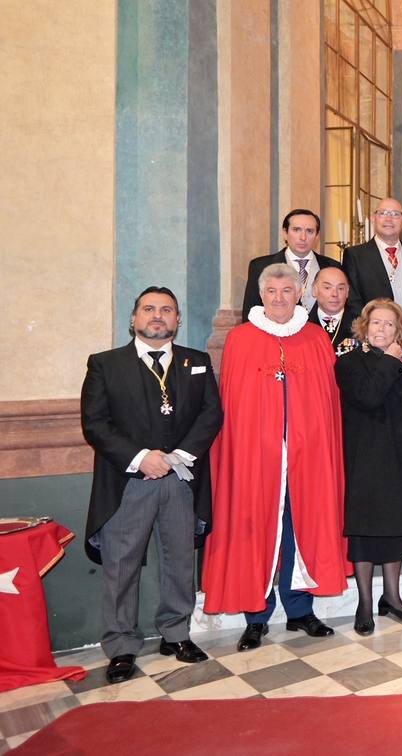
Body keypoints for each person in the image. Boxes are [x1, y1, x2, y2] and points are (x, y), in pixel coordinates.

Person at [80, 287, 223, 683]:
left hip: (181, 479)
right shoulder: (105, 365)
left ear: (177, 319)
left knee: (179, 561)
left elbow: (211, 415)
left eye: (166, 310)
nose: (157, 316)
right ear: (134, 319)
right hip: (128, 482)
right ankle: (122, 645)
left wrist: (178, 457)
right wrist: (144, 458)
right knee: (122, 567)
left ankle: (175, 634)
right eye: (148, 309)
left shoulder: (197, 361)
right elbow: (96, 424)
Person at [203, 263, 346, 651]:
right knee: (256, 528)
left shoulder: (316, 339)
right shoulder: (241, 340)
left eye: (287, 291)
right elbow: (232, 404)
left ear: (299, 294)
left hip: (307, 457)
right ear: (261, 295)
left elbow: (327, 403)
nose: (280, 298)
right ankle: (257, 615)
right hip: (255, 459)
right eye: (272, 292)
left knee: (301, 528)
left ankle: (300, 611)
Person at [335, 300, 402, 635]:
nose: (382, 330)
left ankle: (392, 596)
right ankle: (364, 602)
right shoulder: (349, 363)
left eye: (390, 325)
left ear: (399, 330)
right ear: (365, 326)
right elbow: (368, 397)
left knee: (398, 530)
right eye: (376, 323)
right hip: (368, 460)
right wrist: (391, 361)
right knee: (365, 533)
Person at [341, 197, 402, 332]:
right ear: (373, 218)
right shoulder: (355, 255)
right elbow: (352, 301)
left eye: (395, 214)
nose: (389, 219)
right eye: (383, 213)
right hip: (374, 338)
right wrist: (374, 334)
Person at [241, 208, 339, 316]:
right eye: (296, 230)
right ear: (285, 233)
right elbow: (251, 313)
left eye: (309, 231)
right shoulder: (260, 266)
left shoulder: (333, 267)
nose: (303, 237)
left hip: (321, 332)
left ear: (317, 235)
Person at [309, 267, 358, 351]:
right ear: (314, 290)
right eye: (327, 288)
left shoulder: (362, 324)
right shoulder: (300, 326)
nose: (335, 294)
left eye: (340, 288)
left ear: (347, 292)